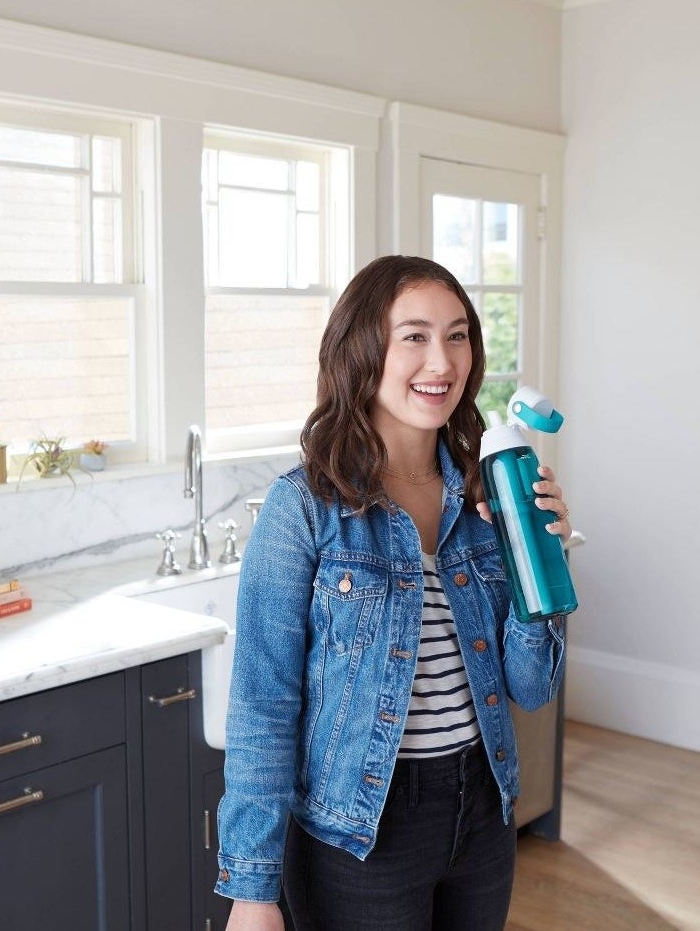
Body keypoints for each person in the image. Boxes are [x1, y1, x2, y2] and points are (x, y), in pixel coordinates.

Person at [215, 255, 572, 931]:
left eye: (458, 334)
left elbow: (532, 687)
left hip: (482, 806)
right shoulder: (306, 510)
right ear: (364, 350)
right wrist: (252, 889)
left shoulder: (488, 495)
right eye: (414, 336)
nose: (441, 360)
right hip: (359, 829)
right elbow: (262, 706)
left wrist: (538, 565)